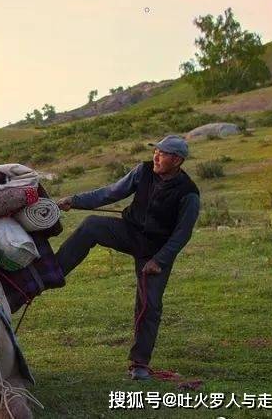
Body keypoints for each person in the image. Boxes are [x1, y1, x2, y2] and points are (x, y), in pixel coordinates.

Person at [55, 135, 200, 380]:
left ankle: (139, 364)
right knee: (91, 225)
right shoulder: (143, 171)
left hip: (156, 250)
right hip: (129, 232)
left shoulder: (189, 193)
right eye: (155, 151)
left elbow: (181, 235)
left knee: (149, 305)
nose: (155, 156)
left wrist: (159, 261)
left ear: (177, 160)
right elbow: (110, 193)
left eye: (162, 153)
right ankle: (54, 271)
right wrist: (75, 201)